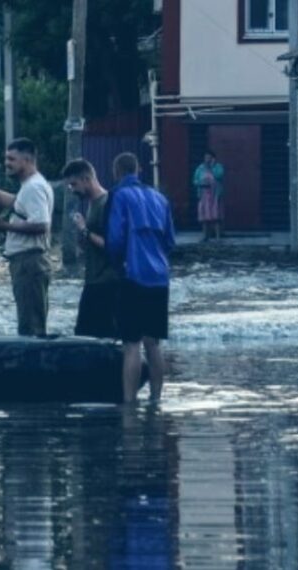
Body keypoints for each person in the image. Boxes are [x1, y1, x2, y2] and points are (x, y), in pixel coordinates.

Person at [106, 153, 175, 404]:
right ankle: (156, 399)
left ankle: (129, 402)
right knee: (153, 343)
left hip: (132, 275)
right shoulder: (160, 198)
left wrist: (117, 265)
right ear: (139, 170)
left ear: (116, 172)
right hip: (160, 277)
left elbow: (115, 240)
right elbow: (170, 241)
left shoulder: (118, 196)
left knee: (132, 344)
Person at [0, 138, 54, 336]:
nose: (6, 163)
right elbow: (17, 204)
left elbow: (41, 225)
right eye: (6, 158)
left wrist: (4, 226)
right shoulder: (30, 186)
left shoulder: (34, 187)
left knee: (31, 326)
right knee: (29, 321)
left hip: (30, 263)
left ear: (27, 160)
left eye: (11, 159)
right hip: (27, 263)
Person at [62, 159, 120, 338]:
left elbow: (112, 245)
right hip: (94, 280)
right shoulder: (91, 203)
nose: (72, 189)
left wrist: (84, 230)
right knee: (84, 334)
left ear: (87, 179)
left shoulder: (107, 203)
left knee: (97, 335)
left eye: (74, 184)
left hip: (107, 282)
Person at [193, 150, 224, 242]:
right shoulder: (200, 168)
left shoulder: (218, 167)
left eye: (209, 157)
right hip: (203, 195)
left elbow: (219, 176)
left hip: (215, 195)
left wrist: (211, 168)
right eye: (206, 157)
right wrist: (200, 183)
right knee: (204, 216)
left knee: (216, 216)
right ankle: (205, 236)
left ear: (213, 158)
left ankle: (218, 237)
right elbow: (195, 180)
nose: (207, 159)